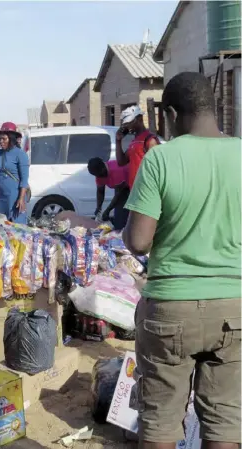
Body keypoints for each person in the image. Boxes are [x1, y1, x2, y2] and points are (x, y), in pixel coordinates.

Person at [123, 72, 241, 448]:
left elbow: (139, 241)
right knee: (224, 421)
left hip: (171, 310)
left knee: (160, 422)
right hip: (234, 309)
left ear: (172, 114)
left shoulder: (160, 159)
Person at [0, 122, 29, 224]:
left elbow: (24, 179)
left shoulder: (20, 154)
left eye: (4, 139)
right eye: (0, 139)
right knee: (3, 226)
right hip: (2, 196)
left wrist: (21, 198)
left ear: (11, 139)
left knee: (17, 226)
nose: (1, 141)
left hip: (15, 196)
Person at [115, 105, 159, 190]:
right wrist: (118, 141)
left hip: (146, 190)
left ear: (139, 119)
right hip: (134, 190)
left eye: (130, 122)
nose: (127, 126)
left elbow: (157, 167)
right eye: (126, 124)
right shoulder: (135, 141)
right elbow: (121, 162)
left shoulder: (150, 140)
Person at [87, 157, 129, 229]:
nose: (98, 177)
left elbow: (119, 195)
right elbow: (100, 191)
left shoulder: (117, 170)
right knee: (119, 219)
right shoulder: (99, 174)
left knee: (123, 220)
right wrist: (98, 208)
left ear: (103, 167)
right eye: (96, 175)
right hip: (120, 190)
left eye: (99, 174)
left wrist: (107, 210)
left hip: (131, 187)